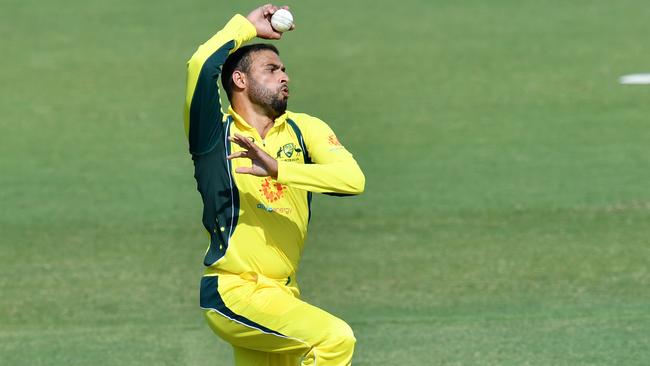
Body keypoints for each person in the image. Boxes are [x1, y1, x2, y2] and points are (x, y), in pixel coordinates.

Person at [183, 4, 365, 366]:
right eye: (271, 69)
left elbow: (352, 180)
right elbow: (200, 64)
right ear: (240, 80)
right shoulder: (215, 135)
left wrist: (279, 169)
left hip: (282, 296)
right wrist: (245, 28)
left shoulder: (304, 128)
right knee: (334, 340)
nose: (284, 77)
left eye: (284, 70)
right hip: (234, 290)